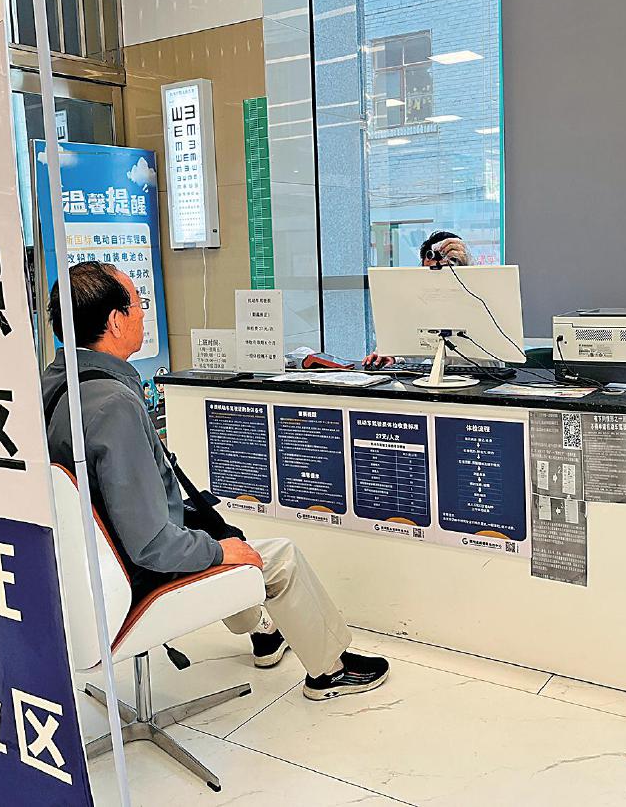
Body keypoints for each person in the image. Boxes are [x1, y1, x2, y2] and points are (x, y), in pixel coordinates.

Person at [42, 261, 389, 700]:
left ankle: (264, 632)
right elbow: (153, 544)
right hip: (138, 573)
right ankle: (330, 672)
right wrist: (220, 551)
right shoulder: (114, 405)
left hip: (93, 566)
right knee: (278, 558)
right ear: (115, 321)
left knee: (216, 531)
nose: (143, 313)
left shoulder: (54, 384)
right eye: (138, 304)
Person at [363, 230, 470, 369]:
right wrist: (391, 355)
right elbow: (409, 341)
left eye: (445, 269)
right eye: (431, 271)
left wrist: (466, 273)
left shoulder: (478, 301)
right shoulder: (421, 304)